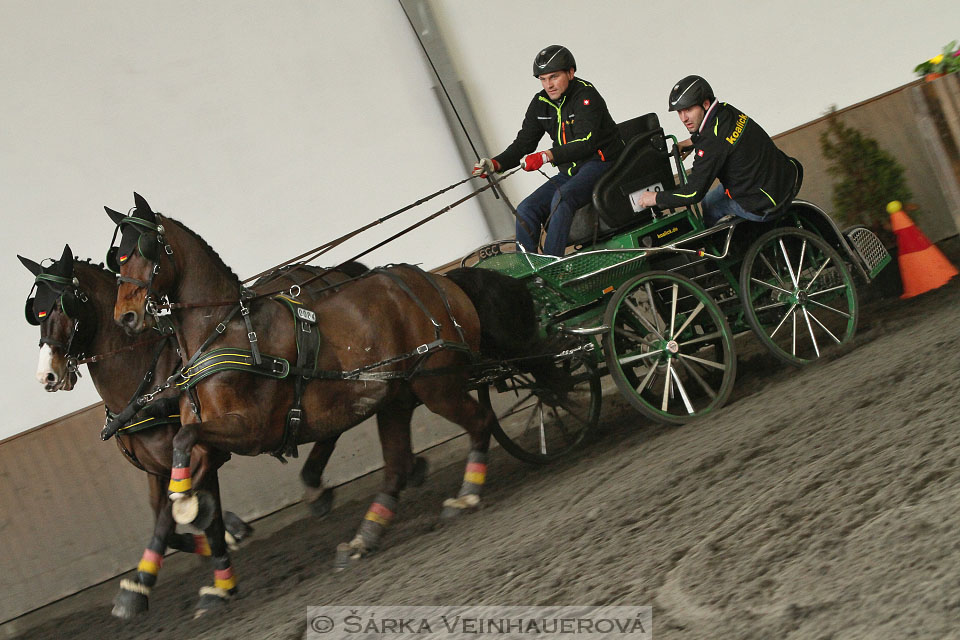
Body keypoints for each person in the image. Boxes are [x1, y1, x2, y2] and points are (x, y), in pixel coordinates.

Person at [473, 45, 623, 256]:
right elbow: (523, 143)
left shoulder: (586, 95)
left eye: (553, 77)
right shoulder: (540, 103)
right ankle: (528, 268)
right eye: (543, 79)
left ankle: (552, 265)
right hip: (570, 172)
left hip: (602, 163)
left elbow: (586, 142)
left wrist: (546, 156)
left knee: (562, 198)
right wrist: (495, 163)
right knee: (526, 210)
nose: (548, 85)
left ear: (571, 73)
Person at [638, 75, 799, 226]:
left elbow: (693, 193)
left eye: (688, 110)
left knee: (709, 204)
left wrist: (656, 198)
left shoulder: (711, 142)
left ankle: (721, 249)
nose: (683, 118)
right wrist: (692, 142)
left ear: (705, 104)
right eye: (679, 112)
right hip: (783, 176)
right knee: (713, 197)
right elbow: (720, 137)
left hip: (763, 201)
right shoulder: (726, 110)